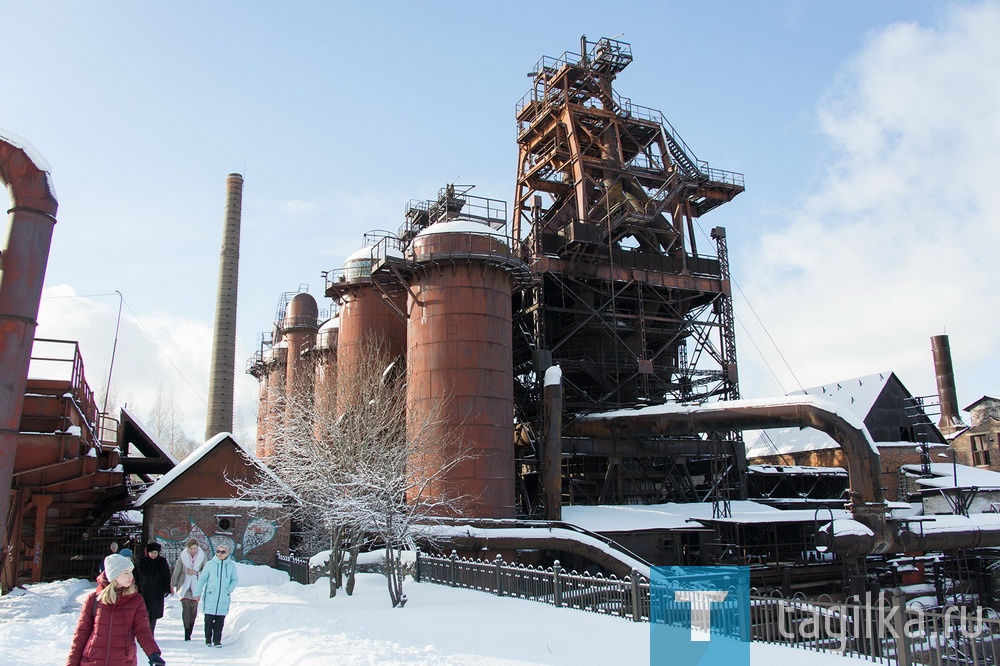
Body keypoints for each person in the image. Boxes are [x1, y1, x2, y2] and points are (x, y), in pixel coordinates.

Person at [67, 553, 166, 666]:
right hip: (93, 661)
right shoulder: (94, 599)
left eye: (131, 572)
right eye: (126, 573)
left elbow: (143, 631)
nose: (131, 577)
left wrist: (153, 653)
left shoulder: (136, 600)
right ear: (114, 576)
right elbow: (81, 635)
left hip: (123, 662)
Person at [196, 544, 238, 647]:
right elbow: (202, 579)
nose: (220, 554)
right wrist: (198, 592)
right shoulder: (210, 564)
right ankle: (208, 639)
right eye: (218, 551)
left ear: (227, 553)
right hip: (211, 595)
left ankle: (217, 640)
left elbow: (234, 580)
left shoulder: (231, 566)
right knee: (209, 620)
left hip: (223, 597)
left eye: (223, 552)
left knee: (220, 621)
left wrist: (228, 590)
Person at [170, 538, 206, 641]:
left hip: (196, 585)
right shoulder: (183, 556)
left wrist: (196, 573)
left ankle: (190, 628)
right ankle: (186, 632)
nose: (192, 551)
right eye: (190, 548)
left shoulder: (202, 557)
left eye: (194, 548)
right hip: (184, 584)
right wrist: (173, 584)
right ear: (187, 548)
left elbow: (206, 570)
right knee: (186, 607)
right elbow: (177, 569)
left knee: (193, 609)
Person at [136, 542, 172, 636]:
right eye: (151, 552)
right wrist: (137, 588)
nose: (153, 555)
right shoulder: (142, 562)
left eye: (155, 553)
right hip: (144, 592)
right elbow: (137, 577)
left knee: (154, 614)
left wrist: (166, 588)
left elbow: (166, 576)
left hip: (157, 592)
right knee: (144, 613)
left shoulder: (162, 562)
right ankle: (145, 632)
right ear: (148, 552)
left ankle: (150, 633)